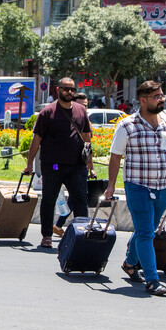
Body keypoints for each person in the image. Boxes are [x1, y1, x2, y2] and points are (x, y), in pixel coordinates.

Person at [103, 81, 166, 296]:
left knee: (147, 230)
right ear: (143, 100)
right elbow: (115, 157)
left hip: (162, 188)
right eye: (156, 96)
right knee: (144, 232)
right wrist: (111, 187)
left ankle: (130, 263)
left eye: (161, 95)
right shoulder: (127, 126)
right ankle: (152, 280)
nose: (161, 99)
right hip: (137, 187)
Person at [24, 77, 92, 248]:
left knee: (80, 200)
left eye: (72, 89)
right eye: (65, 89)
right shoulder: (47, 112)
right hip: (53, 165)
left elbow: (86, 137)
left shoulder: (81, 111)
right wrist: (30, 163)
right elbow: (36, 139)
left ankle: (82, 234)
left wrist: (90, 162)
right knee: (49, 199)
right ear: (58, 90)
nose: (69, 92)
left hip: (76, 165)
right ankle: (47, 235)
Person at [52, 92, 96, 237]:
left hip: (79, 166)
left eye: (86, 106)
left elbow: (88, 145)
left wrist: (91, 166)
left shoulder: (85, 120)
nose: (84, 109)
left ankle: (63, 226)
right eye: (82, 106)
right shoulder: (64, 118)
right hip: (61, 165)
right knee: (77, 198)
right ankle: (63, 226)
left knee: (77, 198)